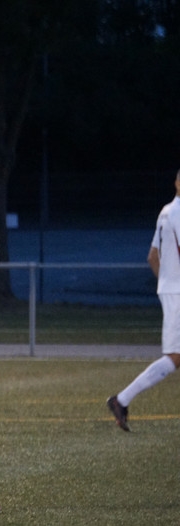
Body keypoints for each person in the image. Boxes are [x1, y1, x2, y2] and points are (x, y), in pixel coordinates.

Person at [107, 169, 180, 431]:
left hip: (172, 290)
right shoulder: (177, 213)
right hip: (177, 293)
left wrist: (166, 284)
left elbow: (153, 256)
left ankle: (122, 400)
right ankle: (121, 399)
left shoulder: (165, 211)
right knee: (173, 358)